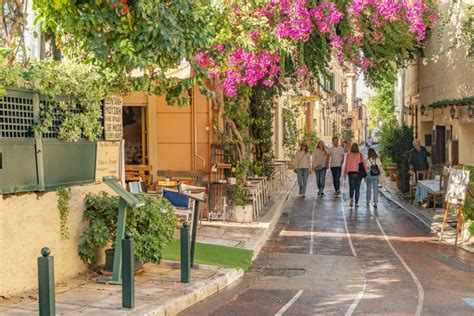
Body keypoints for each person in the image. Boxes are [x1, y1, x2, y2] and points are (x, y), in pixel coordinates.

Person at [344, 143, 367, 207]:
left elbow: (346, 165)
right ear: (357, 148)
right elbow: (364, 165)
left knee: (351, 187)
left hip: (351, 173)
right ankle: (356, 203)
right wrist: (366, 174)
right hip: (359, 174)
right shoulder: (360, 155)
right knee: (357, 188)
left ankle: (351, 200)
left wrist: (345, 174)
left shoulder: (348, 155)